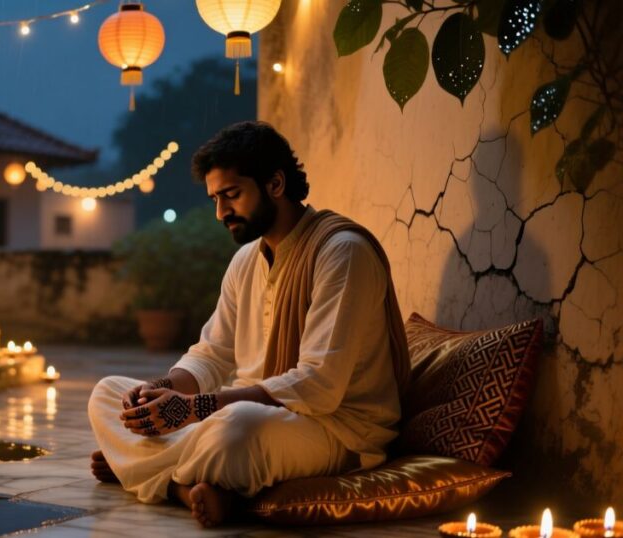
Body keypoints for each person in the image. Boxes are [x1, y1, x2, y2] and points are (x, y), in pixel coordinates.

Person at [87, 121, 412, 528]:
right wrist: (162, 390)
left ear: (275, 183)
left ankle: (137, 468)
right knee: (107, 395)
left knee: (235, 430)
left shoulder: (342, 253)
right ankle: (183, 486)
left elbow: (319, 385)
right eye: (215, 199)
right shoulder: (246, 261)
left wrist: (193, 410)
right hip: (244, 411)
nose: (221, 212)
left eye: (231, 195)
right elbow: (212, 353)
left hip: (335, 431)